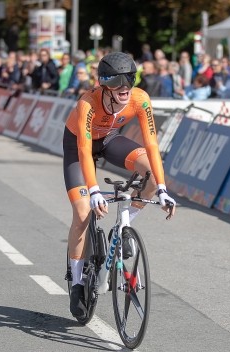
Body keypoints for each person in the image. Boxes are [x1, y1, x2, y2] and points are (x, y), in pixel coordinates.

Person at [62, 52, 176, 318]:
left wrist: (162, 189)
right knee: (81, 213)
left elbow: (152, 145)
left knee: (150, 172)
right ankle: (77, 282)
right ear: (103, 84)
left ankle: (123, 227)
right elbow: (83, 151)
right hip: (79, 145)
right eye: (116, 82)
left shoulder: (140, 99)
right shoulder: (87, 104)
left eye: (130, 79)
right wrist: (92, 191)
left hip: (111, 139)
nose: (124, 87)